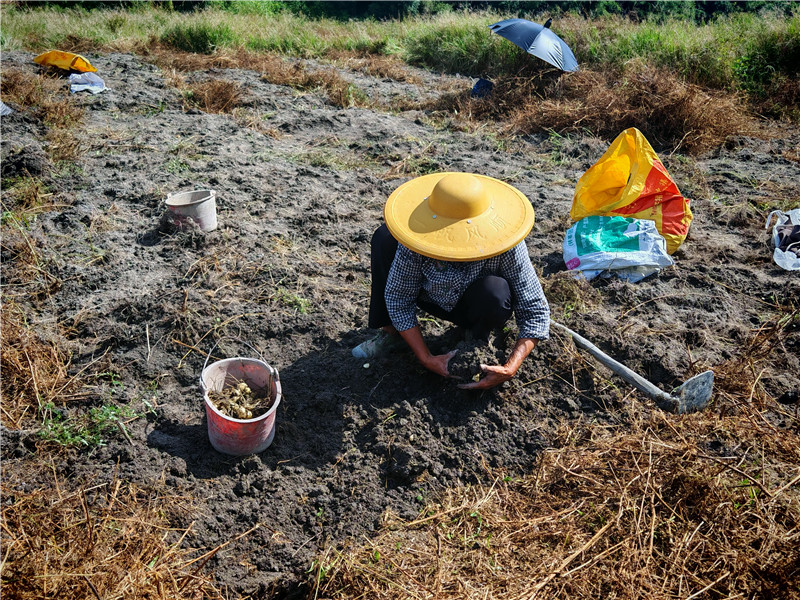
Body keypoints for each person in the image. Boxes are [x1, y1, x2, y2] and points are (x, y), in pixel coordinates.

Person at [352, 172, 550, 390]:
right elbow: (399, 297)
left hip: (475, 302)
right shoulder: (417, 240)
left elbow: (535, 310)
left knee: (496, 291)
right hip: (429, 294)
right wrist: (426, 358)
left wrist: (511, 366)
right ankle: (393, 332)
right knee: (385, 238)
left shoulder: (506, 245)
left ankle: (474, 339)